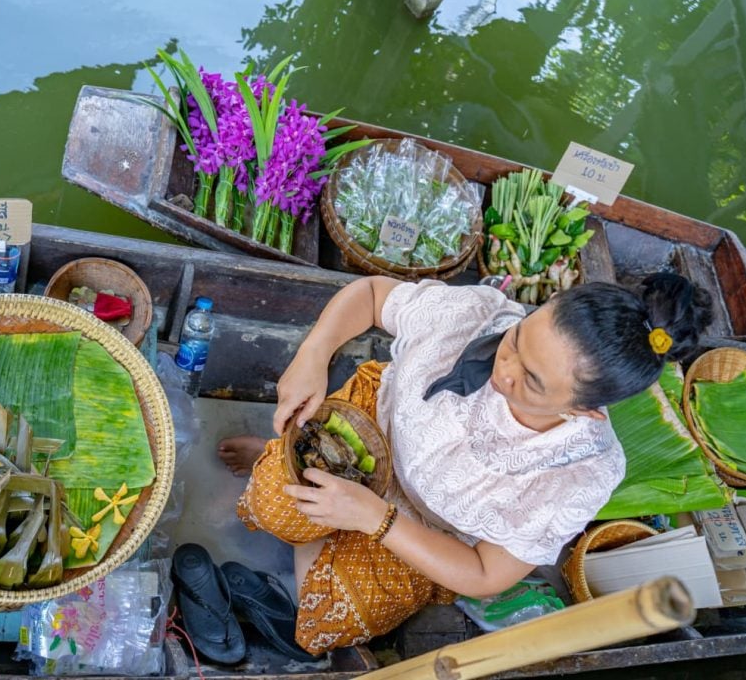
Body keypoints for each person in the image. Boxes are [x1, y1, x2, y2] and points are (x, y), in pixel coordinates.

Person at [218, 273, 712, 655]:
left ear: (583, 409)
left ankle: (323, 519)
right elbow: (370, 295)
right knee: (273, 505)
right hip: (370, 433)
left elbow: (484, 574)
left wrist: (372, 518)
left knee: (333, 617)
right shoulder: (474, 313)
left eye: (533, 381)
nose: (504, 367)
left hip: (423, 531)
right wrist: (313, 353)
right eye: (516, 340)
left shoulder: (582, 473)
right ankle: (282, 462)